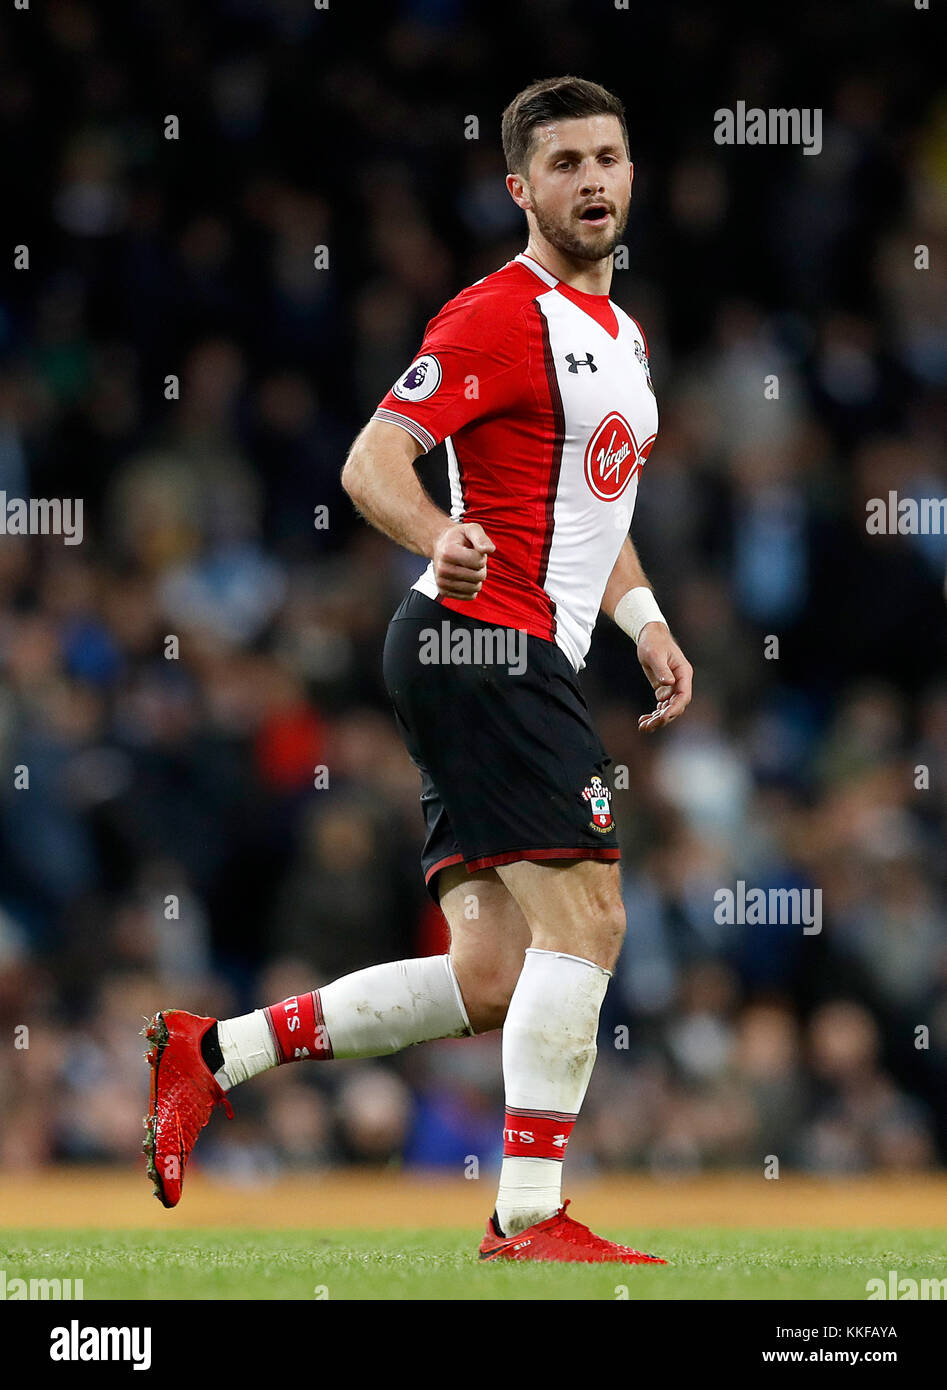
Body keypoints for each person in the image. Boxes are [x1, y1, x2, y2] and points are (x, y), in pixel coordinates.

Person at [143, 74, 692, 1264]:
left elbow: (594, 502)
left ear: (631, 171)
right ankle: (530, 1218)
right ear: (519, 188)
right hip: (482, 634)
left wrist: (642, 618)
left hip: (511, 646)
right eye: (563, 164)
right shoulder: (497, 316)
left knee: (493, 973)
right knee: (588, 920)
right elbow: (371, 460)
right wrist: (432, 532)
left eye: (607, 156)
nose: (591, 179)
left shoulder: (621, 334)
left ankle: (211, 1052)